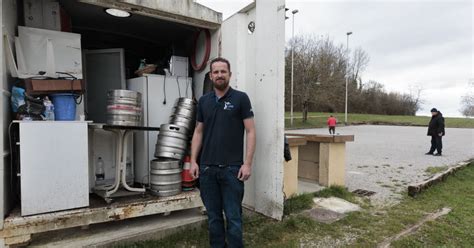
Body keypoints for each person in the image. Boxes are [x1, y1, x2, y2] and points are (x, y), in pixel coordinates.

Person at [190, 57, 256, 248]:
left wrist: (248, 163)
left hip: (232, 170)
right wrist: (194, 161)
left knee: (234, 218)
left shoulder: (241, 98)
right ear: (211, 76)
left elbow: (251, 131)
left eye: (223, 71)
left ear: (229, 74)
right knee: (213, 218)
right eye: (216, 72)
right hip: (207, 170)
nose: (219, 75)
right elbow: (198, 131)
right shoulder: (203, 101)